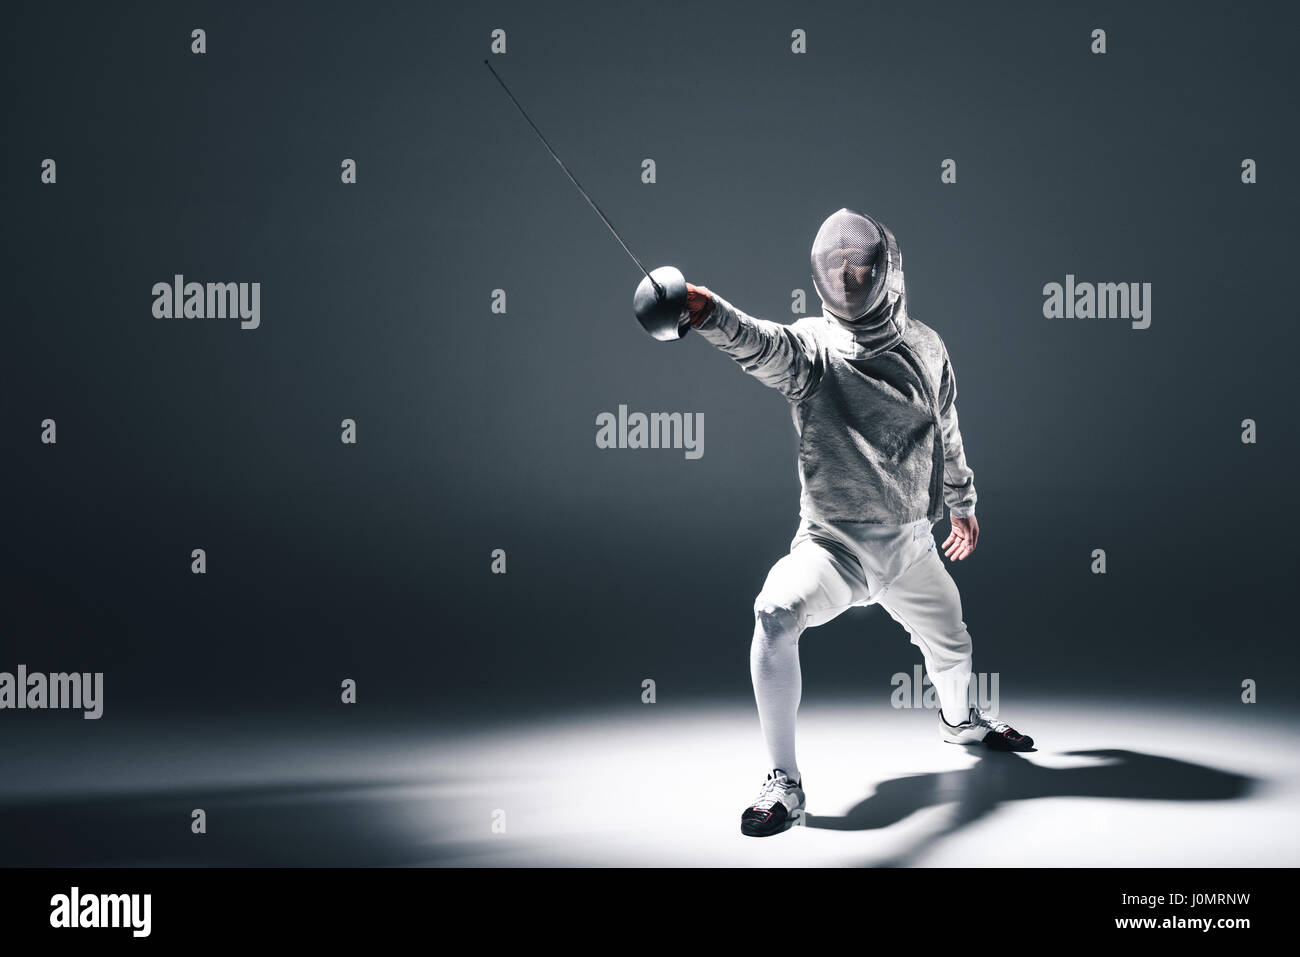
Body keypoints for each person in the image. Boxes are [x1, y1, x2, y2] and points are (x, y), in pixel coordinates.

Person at [684, 208, 1034, 838]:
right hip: (833, 548)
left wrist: (963, 500)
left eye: (859, 262)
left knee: (953, 647)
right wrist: (708, 311)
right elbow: (759, 343)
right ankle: (784, 783)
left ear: (887, 269)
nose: (848, 273)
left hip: (910, 547)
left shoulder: (928, 345)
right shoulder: (812, 350)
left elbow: (945, 425)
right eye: (837, 265)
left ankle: (962, 724)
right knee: (774, 613)